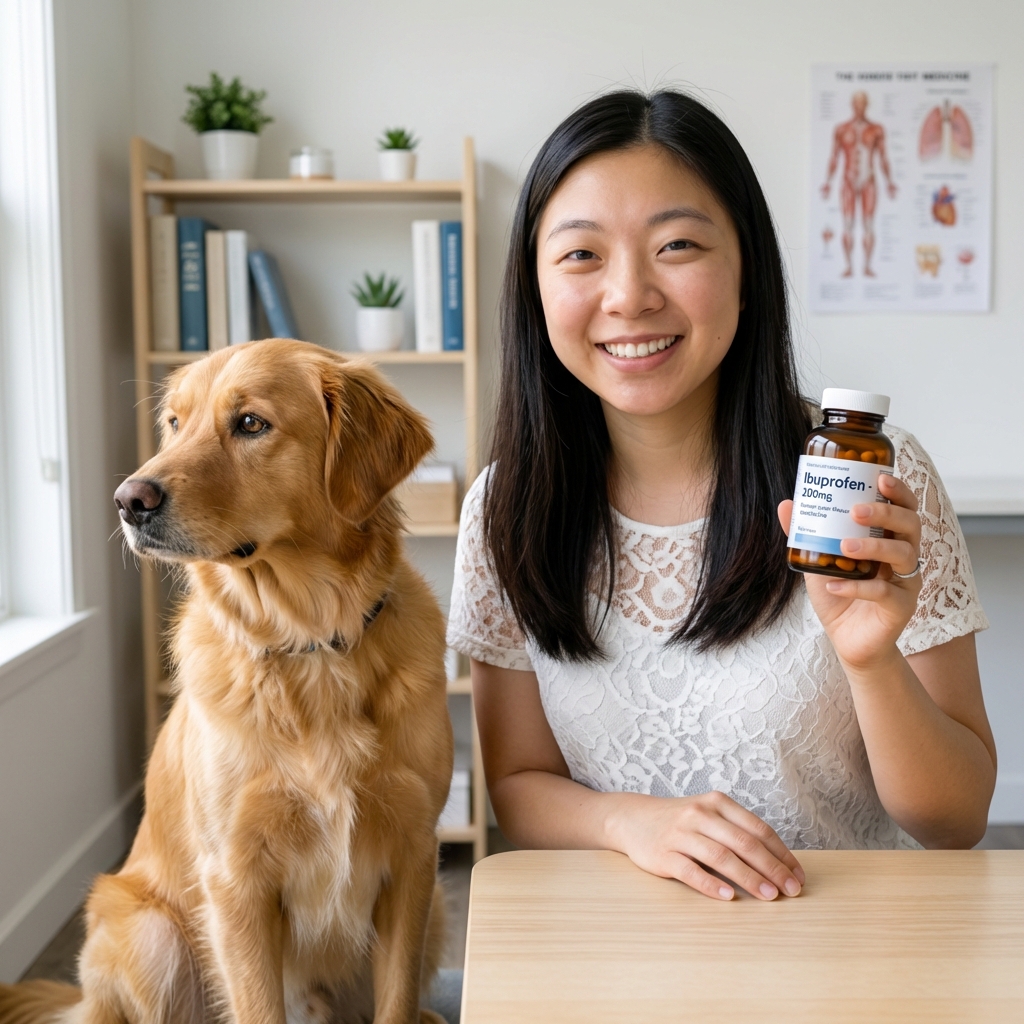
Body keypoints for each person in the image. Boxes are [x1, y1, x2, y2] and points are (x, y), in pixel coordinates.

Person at [447, 89, 996, 914]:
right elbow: (519, 785)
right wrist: (633, 825)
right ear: (535, 290)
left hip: (842, 950)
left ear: (746, 273)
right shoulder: (506, 508)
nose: (629, 295)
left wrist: (871, 660)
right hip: (614, 950)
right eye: (581, 255)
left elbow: (957, 821)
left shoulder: (860, 475)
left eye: (676, 245)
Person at [821, 90, 897, 277]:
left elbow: (883, 158)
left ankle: (867, 266)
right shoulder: (841, 129)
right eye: (856, 103)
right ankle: (848, 266)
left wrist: (889, 182)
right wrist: (827, 182)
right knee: (847, 224)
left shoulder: (876, 129)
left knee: (869, 224)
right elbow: (834, 158)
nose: (859, 106)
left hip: (868, 180)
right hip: (847, 180)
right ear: (852, 104)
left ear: (867, 105)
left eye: (862, 103)